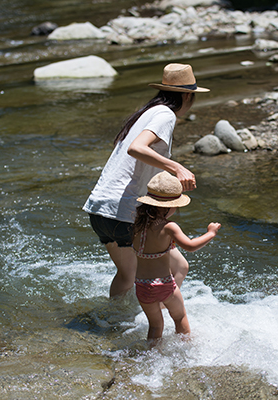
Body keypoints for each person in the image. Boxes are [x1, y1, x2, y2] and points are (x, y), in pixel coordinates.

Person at [83, 63, 210, 298]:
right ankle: (156, 324)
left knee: (126, 275)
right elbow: (137, 148)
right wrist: (177, 167)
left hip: (100, 210)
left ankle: (114, 325)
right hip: (124, 213)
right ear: (186, 95)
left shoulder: (147, 112)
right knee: (179, 268)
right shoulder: (165, 114)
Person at [132, 171, 221, 341]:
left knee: (156, 325)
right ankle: (186, 352)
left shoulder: (137, 225)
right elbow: (190, 246)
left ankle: (152, 356)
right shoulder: (169, 227)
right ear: (169, 206)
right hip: (164, 285)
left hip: (142, 286)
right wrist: (210, 233)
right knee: (180, 318)